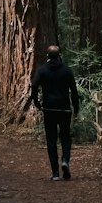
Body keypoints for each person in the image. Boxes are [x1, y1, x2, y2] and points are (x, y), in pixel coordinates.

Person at [30, 45, 80, 180]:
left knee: (51, 140)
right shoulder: (66, 70)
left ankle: (55, 173)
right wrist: (76, 109)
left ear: (47, 56)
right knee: (65, 137)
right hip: (64, 109)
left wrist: (36, 102)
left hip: (49, 109)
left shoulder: (42, 70)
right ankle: (65, 160)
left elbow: (34, 85)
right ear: (59, 55)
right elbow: (74, 91)